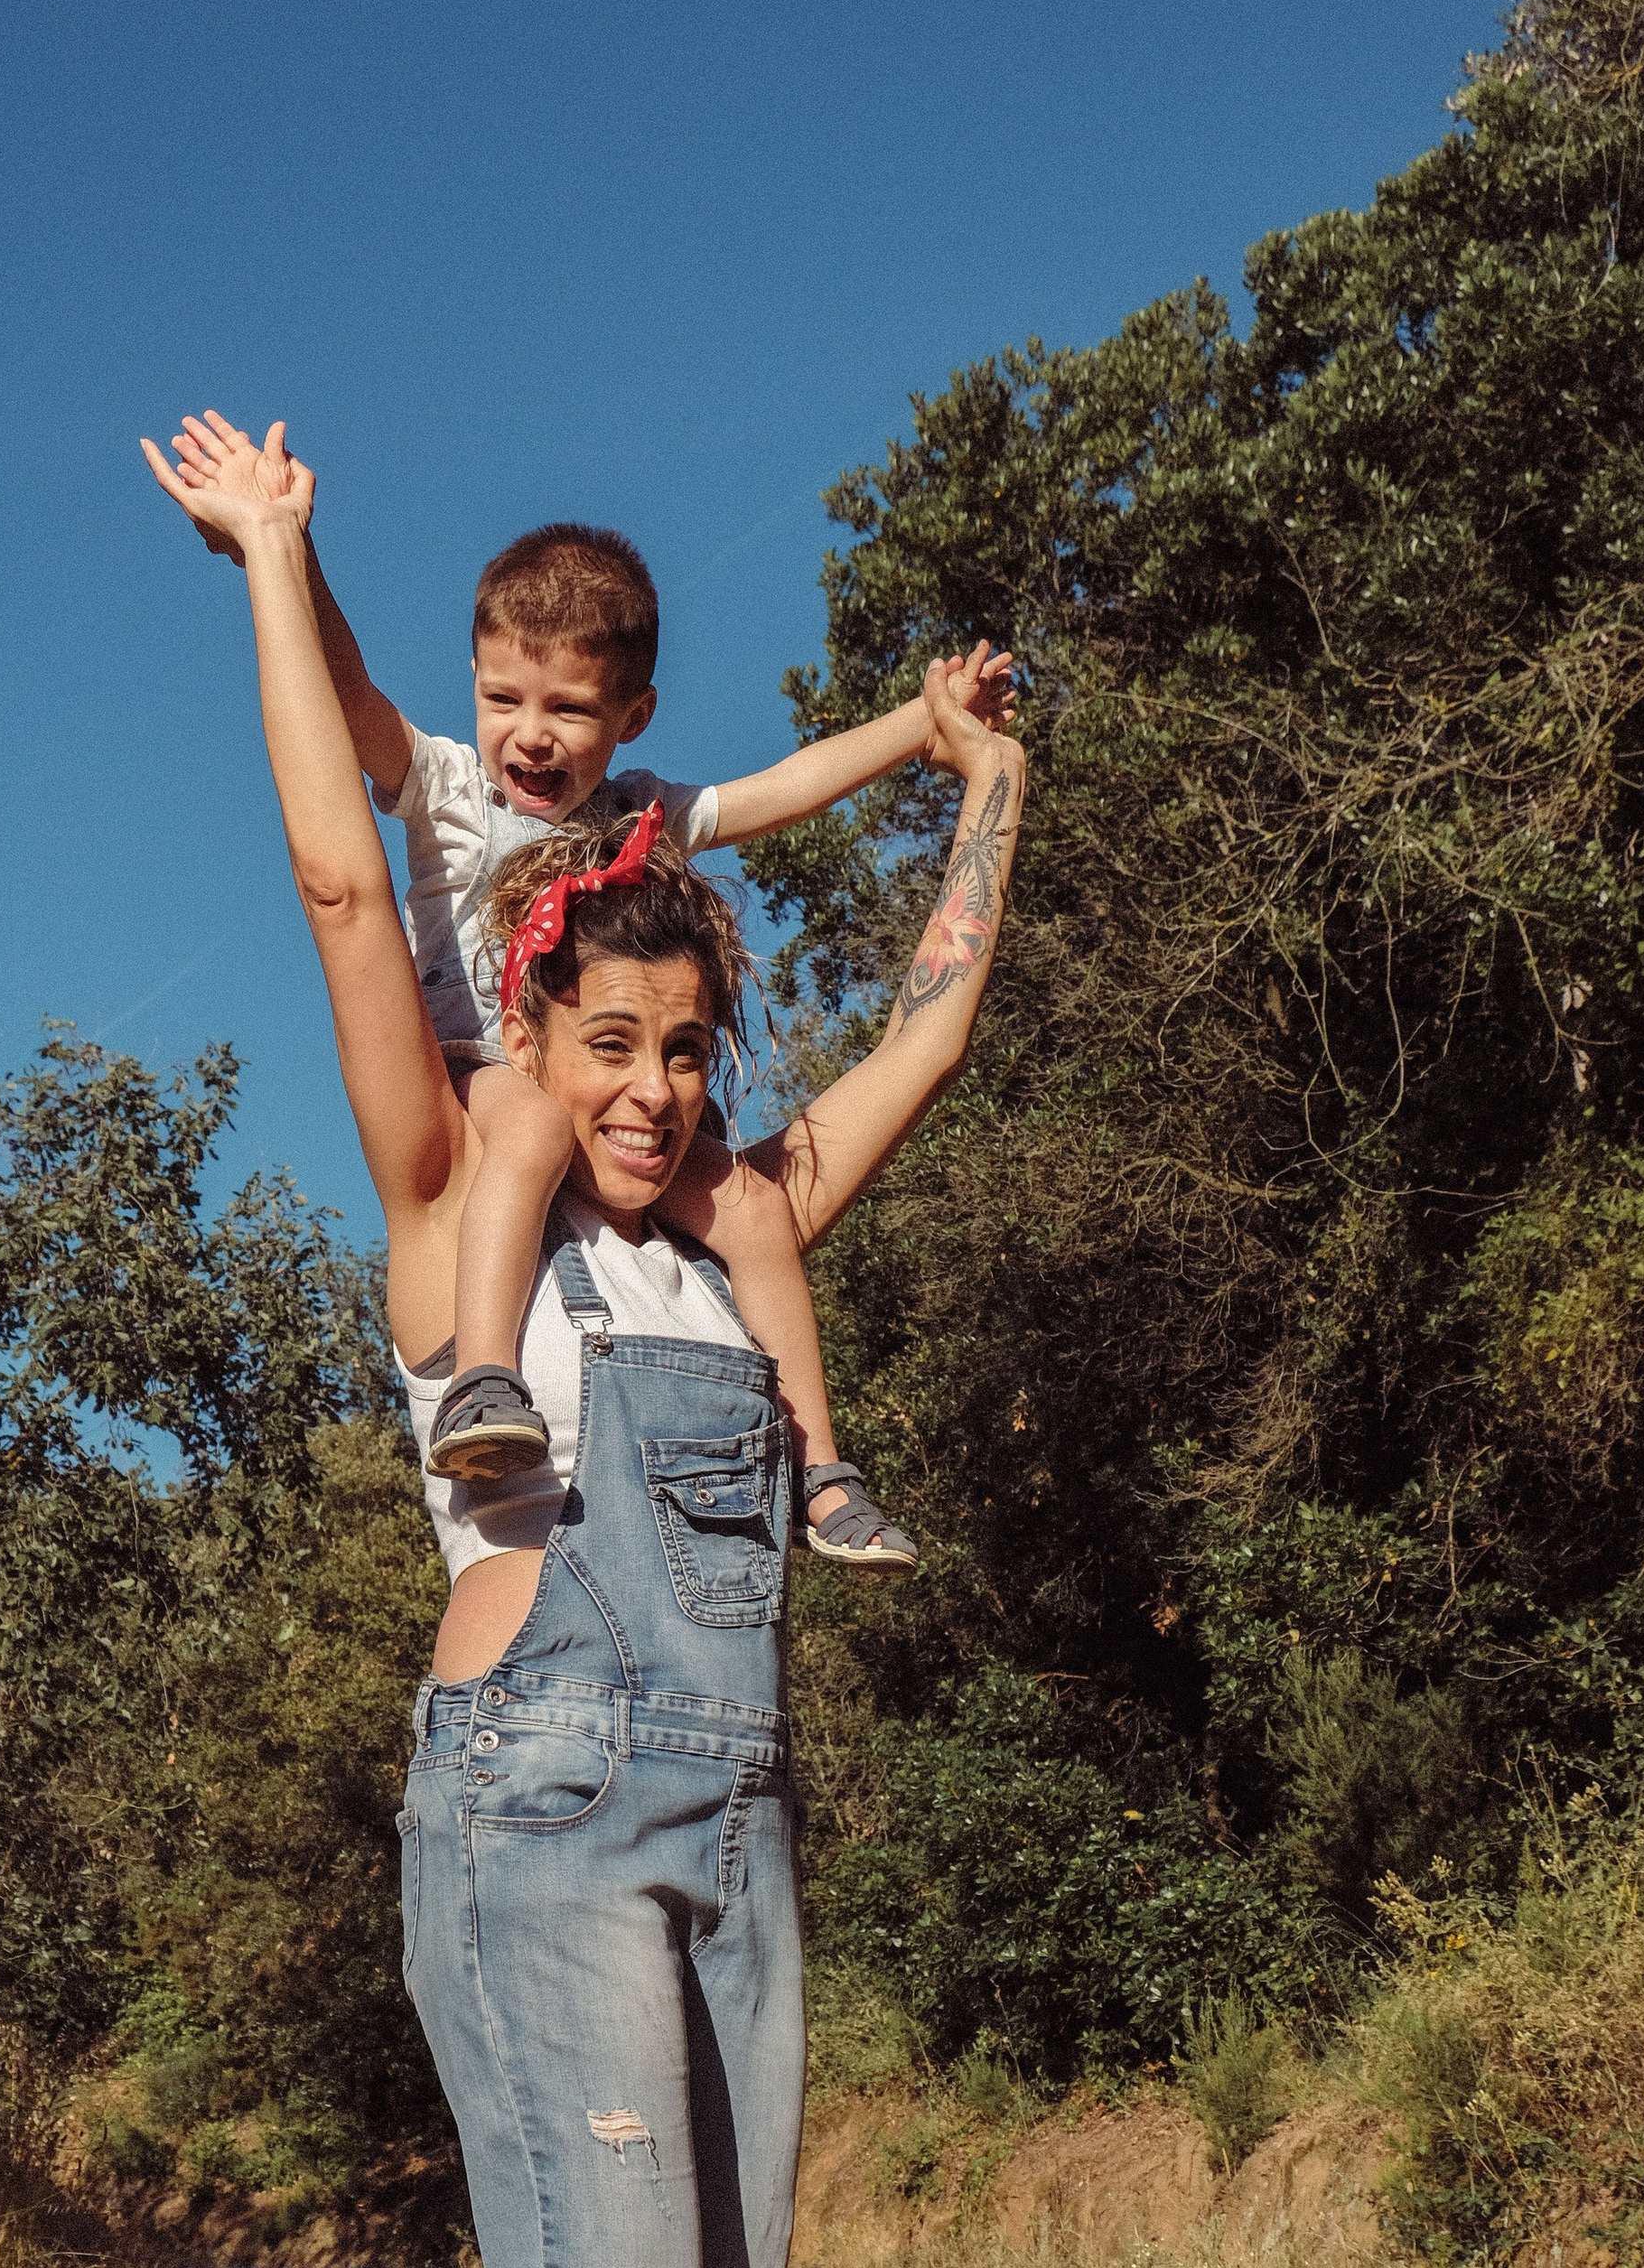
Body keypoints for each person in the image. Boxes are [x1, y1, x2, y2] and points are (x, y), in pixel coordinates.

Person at [141, 409, 1025, 2268]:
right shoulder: (459, 1206)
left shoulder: (745, 1234)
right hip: (535, 1810)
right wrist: (283, 573)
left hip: (729, 1830)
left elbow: (938, 1022)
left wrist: (975, 781)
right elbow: (338, 875)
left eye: (680, 1046)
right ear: (528, 1025)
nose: (642, 1086)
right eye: (599, 1042)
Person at [151, 409, 1013, 1572]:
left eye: (567, 710)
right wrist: (281, 554)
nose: (532, 737)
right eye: (504, 700)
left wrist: (930, 729)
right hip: (478, 1070)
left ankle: (821, 1466)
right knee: (526, 1121)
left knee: (754, 1210)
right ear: (471, 683)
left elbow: (785, 791)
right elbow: (347, 714)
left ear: (631, 717)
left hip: (712, 1719)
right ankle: (486, 1377)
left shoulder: (641, 812)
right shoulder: (451, 789)